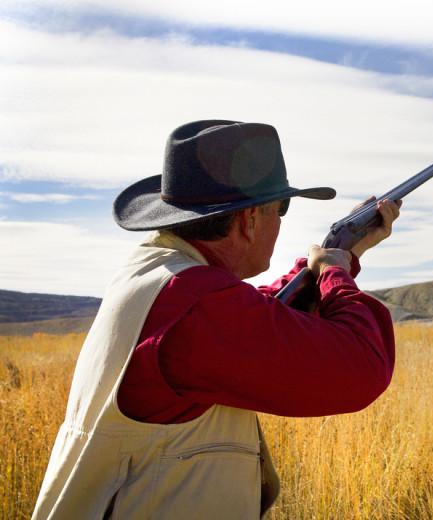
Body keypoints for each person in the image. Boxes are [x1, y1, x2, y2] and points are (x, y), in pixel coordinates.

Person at [32, 120, 400, 519]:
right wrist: (334, 273)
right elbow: (361, 366)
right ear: (250, 221)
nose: (281, 220)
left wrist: (335, 255)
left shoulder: (165, 275)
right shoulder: (198, 305)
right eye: (281, 207)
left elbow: (256, 317)